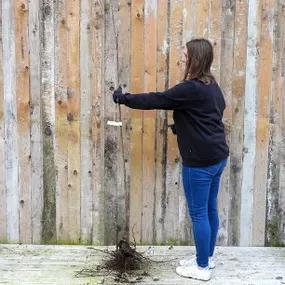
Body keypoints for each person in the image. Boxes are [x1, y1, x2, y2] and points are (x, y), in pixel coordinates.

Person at [112, 38, 229, 281]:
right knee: (210, 209)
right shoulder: (211, 86)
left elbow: (157, 99)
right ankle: (207, 258)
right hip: (218, 157)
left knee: (199, 214)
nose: (182, 57)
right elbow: (213, 113)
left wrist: (125, 99)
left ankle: (201, 268)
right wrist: (184, 127)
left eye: (185, 54)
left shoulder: (190, 89)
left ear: (195, 58)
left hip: (199, 163)